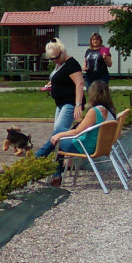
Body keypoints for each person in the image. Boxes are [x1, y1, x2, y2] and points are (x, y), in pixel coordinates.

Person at [33, 38, 85, 187]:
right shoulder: (60, 65)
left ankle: (40, 159)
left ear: (62, 52)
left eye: (56, 57)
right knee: (57, 135)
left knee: (58, 136)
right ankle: (55, 171)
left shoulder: (71, 64)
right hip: (60, 104)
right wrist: (51, 84)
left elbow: (79, 84)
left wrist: (77, 105)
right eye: (51, 59)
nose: (55, 60)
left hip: (69, 104)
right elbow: (59, 78)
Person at [50, 79, 118, 159]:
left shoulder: (94, 111)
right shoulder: (110, 111)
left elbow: (78, 132)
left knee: (57, 136)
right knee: (59, 130)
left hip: (86, 148)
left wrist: (59, 135)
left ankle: (42, 158)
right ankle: (42, 157)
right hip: (101, 147)